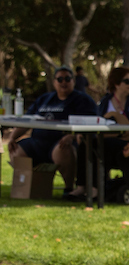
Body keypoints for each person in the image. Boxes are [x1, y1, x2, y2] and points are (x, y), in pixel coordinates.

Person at [11, 66, 95, 199]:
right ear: (54, 82)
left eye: (67, 79)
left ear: (73, 81)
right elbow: (27, 120)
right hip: (37, 142)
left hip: (60, 142)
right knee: (16, 150)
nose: (63, 82)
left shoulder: (82, 100)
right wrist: (12, 138)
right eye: (60, 79)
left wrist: (72, 136)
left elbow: (90, 124)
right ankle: (24, 187)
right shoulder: (44, 99)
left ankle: (68, 188)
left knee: (63, 149)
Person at [97, 66, 129, 200]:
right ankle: (91, 189)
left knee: (124, 156)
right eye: (127, 81)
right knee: (89, 148)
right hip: (108, 143)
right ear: (116, 83)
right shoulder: (105, 101)